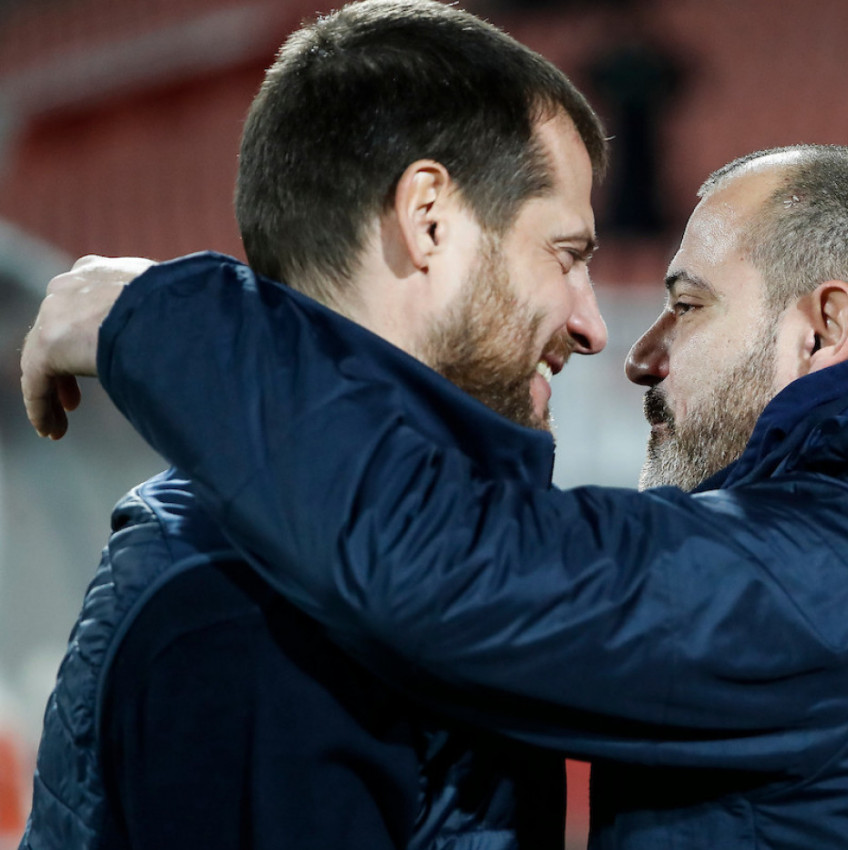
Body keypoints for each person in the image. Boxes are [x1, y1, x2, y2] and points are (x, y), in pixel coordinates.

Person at [22, 144, 848, 848]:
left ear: (823, 326)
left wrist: (152, 313)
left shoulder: (831, 576)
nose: (638, 351)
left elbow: (446, 566)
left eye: (688, 302)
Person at [17, 2, 609, 848]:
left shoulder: (335, 561)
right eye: (565, 255)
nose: (592, 326)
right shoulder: (249, 612)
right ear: (428, 219)